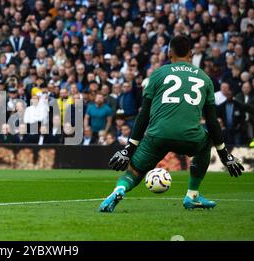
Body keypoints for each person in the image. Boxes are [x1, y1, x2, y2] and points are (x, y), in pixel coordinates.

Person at [100, 35, 245, 213]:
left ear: (169, 53)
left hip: (157, 135)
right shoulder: (205, 79)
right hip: (190, 137)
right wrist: (225, 156)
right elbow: (212, 122)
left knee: (133, 172)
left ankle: (119, 189)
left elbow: (143, 114)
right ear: (191, 54)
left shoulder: (158, 74)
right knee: (206, 140)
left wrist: (128, 149)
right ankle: (192, 195)